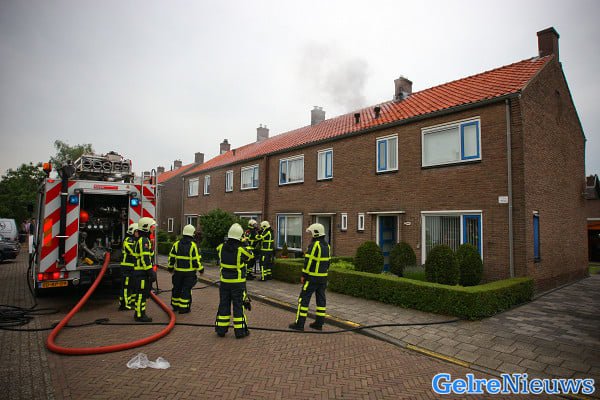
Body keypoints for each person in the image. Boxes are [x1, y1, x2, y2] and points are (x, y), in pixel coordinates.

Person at [289, 223, 331, 331]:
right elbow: (328, 263)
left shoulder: (314, 245)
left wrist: (304, 275)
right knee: (321, 301)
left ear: (316, 233)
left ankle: (299, 324)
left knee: (303, 299)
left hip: (312, 278)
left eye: (312, 233)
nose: (311, 235)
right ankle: (319, 324)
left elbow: (308, 262)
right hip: (323, 278)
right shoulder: (327, 246)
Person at [215, 223, 253, 339]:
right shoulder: (241, 250)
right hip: (237, 284)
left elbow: (218, 252)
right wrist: (245, 243)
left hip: (224, 283)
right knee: (238, 306)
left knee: (224, 305)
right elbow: (250, 256)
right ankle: (240, 331)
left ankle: (221, 330)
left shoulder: (221, 247)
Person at [168, 224, 204, 313]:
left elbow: (171, 257)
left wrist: (170, 268)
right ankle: (183, 308)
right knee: (186, 290)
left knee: (176, 288)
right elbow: (196, 260)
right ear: (192, 234)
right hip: (189, 274)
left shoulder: (176, 244)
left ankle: (175, 306)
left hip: (178, 272)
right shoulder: (193, 245)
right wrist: (201, 269)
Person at [132, 217, 157, 322]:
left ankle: (138, 313)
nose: (153, 229)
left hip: (140, 272)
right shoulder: (144, 240)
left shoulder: (143, 240)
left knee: (141, 294)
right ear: (146, 227)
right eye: (151, 227)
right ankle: (140, 315)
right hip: (141, 273)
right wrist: (150, 272)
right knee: (141, 295)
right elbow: (145, 258)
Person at [118, 223, 138, 311]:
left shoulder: (135, 240)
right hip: (127, 268)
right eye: (137, 231)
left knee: (132, 286)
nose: (138, 233)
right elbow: (132, 252)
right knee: (126, 287)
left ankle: (131, 302)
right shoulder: (128, 240)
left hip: (132, 267)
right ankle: (124, 304)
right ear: (133, 231)